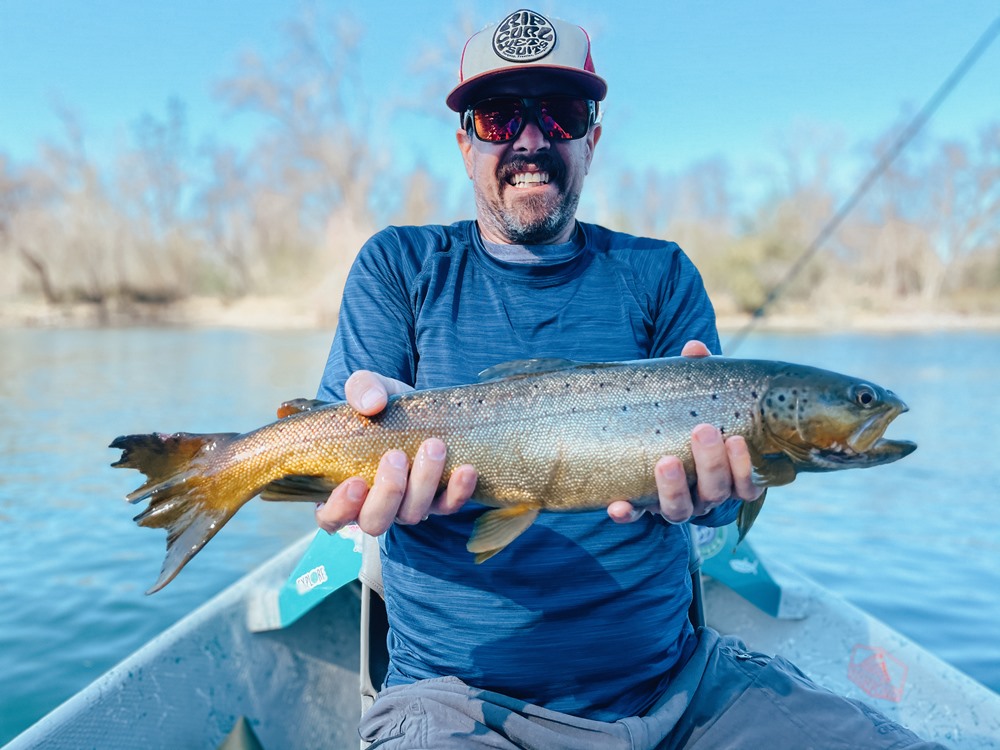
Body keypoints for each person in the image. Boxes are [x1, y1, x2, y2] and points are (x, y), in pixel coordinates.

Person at [315, 9, 942, 749]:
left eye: (562, 113)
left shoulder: (660, 273)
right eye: (497, 116)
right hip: (457, 705)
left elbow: (710, 509)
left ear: (592, 138)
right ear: (464, 144)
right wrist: (351, 470)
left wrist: (716, 500)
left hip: (678, 691)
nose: (530, 139)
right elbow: (336, 458)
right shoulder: (400, 267)